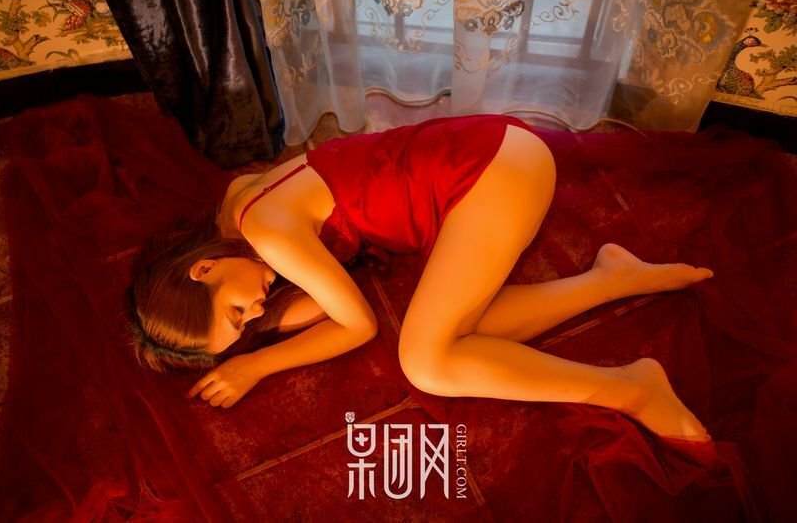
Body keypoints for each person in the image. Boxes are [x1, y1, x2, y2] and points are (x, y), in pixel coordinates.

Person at [126, 114, 715, 442]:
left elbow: (355, 325)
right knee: (459, 333)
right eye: (244, 326)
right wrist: (254, 326)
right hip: (487, 152)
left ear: (203, 268)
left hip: (489, 173)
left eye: (236, 312)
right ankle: (610, 279)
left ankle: (630, 388)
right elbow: (315, 303)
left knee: (426, 362)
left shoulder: (269, 236)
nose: (255, 313)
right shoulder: (235, 209)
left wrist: (255, 363)